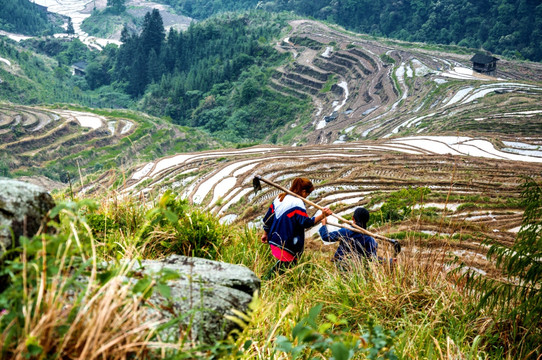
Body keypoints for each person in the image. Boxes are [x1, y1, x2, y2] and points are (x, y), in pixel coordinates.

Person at [261, 177, 332, 279]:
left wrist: (265, 233)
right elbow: (306, 223)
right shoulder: (297, 203)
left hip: (273, 240)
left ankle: (269, 281)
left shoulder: (279, 198)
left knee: (282, 267)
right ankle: (265, 281)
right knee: (283, 270)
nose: (307, 197)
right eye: (307, 194)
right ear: (303, 191)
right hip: (286, 244)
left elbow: (267, 218)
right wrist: (323, 215)